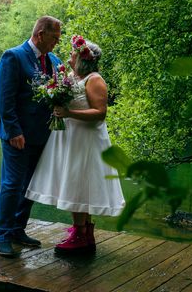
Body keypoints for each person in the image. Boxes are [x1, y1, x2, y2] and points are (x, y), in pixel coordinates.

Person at [25, 35, 125, 253]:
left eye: (73, 52)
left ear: (82, 57)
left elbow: (100, 113)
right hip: (70, 138)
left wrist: (69, 113)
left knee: (79, 184)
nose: (69, 54)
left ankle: (81, 235)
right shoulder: (71, 76)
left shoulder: (94, 80)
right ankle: (84, 230)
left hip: (85, 140)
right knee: (74, 182)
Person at [0, 16, 63, 257]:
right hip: (17, 135)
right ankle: (2, 235)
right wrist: (14, 131)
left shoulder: (53, 60)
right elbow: (5, 98)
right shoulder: (13, 56)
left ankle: (17, 229)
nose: (57, 43)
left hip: (42, 135)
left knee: (30, 186)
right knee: (12, 184)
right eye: (55, 38)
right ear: (41, 34)